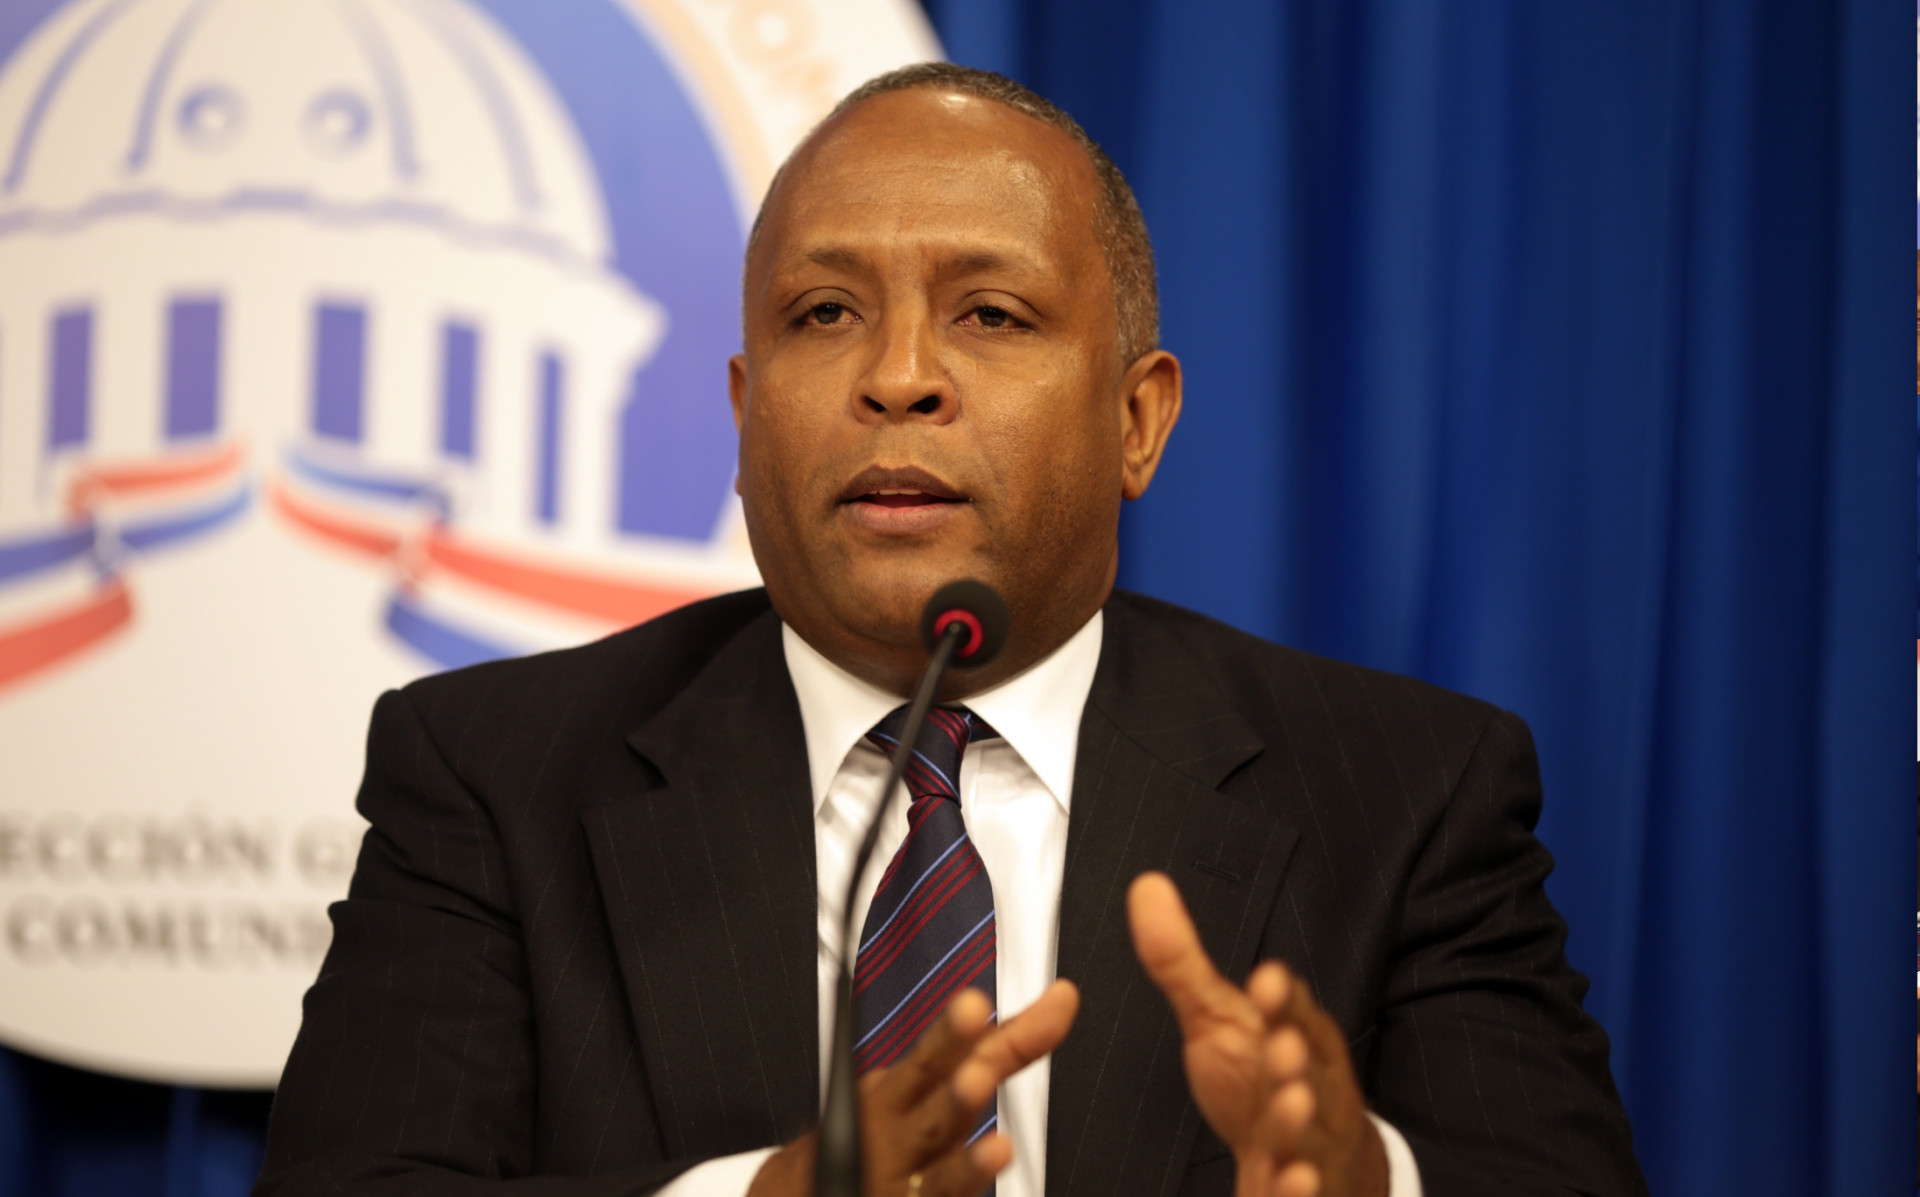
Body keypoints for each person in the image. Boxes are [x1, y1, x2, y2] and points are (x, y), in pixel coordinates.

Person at [255, 65, 1645, 1197]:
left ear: (1138, 419)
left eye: (990, 312)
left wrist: (1367, 1182)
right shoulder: (498, 773)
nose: (900, 377)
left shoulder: (1403, 790)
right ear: (741, 415)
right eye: (824, 313)